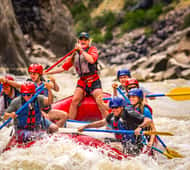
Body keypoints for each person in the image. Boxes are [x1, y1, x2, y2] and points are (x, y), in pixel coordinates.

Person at [44, 32, 107, 119]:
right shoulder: (74, 54)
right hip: (82, 81)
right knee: (74, 101)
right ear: (78, 41)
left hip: (94, 80)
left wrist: (81, 50)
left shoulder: (92, 49)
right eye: (81, 39)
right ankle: (71, 123)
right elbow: (63, 68)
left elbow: (92, 60)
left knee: (100, 102)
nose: (83, 41)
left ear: (89, 41)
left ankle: (107, 122)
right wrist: (47, 72)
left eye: (85, 40)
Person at [78, 96, 152, 155]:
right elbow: (101, 123)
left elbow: (148, 120)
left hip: (136, 145)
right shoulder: (112, 115)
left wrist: (140, 128)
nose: (114, 109)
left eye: (116, 107)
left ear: (122, 107)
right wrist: (85, 126)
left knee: (112, 147)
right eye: (112, 107)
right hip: (124, 142)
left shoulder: (130, 113)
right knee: (106, 142)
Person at [0, 64, 67, 127]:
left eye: (34, 74)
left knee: (64, 115)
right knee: (44, 117)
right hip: (36, 110)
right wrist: (7, 81)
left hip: (48, 110)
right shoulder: (28, 84)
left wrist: (54, 82)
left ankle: (55, 132)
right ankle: (47, 128)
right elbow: (18, 85)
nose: (32, 76)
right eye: (31, 73)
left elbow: (57, 89)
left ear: (39, 74)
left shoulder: (45, 83)